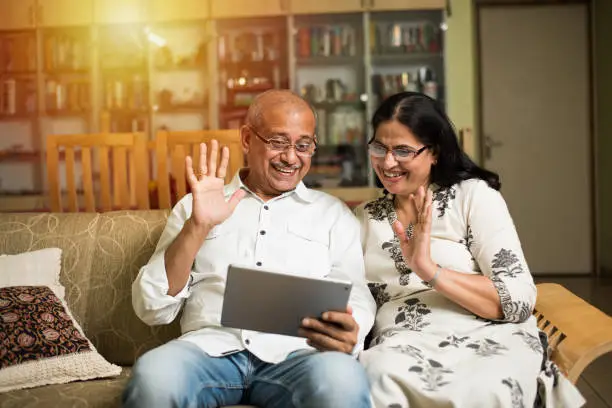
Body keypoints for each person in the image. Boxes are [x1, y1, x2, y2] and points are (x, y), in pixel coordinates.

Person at [123, 89, 376, 408]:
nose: (291, 157)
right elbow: (151, 307)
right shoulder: (194, 207)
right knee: (154, 377)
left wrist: (353, 327)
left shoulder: (333, 214)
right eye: (278, 142)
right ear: (246, 138)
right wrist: (197, 227)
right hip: (209, 350)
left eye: (303, 145)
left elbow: (356, 293)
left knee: (343, 381)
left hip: (300, 356)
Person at [355, 92, 585, 408]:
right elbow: (351, 295)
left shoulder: (473, 197)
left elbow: (517, 299)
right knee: (376, 377)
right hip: (400, 343)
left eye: (403, 150)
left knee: (487, 387)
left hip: (485, 336)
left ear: (433, 152)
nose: (387, 162)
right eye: (379, 148)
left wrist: (429, 270)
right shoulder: (364, 218)